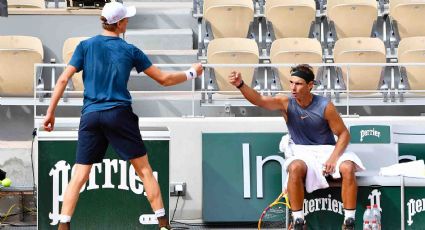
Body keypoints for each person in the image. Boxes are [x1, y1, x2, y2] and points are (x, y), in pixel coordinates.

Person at [43, 2, 203, 230]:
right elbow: (164, 80)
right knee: (145, 170)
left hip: (91, 116)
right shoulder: (130, 50)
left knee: (79, 174)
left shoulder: (84, 46)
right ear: (118, 23)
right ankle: (164, 226)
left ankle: (63, 226)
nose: (128, 22)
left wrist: (50, 113)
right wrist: (191, 73)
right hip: (119, 115)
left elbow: (62, 80)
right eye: (126, 19)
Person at [228, 64, 364, 230]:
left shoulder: (325, 106)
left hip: (327, 150)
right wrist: (241, 85)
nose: (293, 87)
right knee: (294, 168)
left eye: (298, 84)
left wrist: (333, 159)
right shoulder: (285, 102)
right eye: (291, 83)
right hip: (301, 151)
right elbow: (259, 100)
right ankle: (299, 221)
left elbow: (344, 134)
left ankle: (349, 222)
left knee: (348, 167)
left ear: (310, 85)